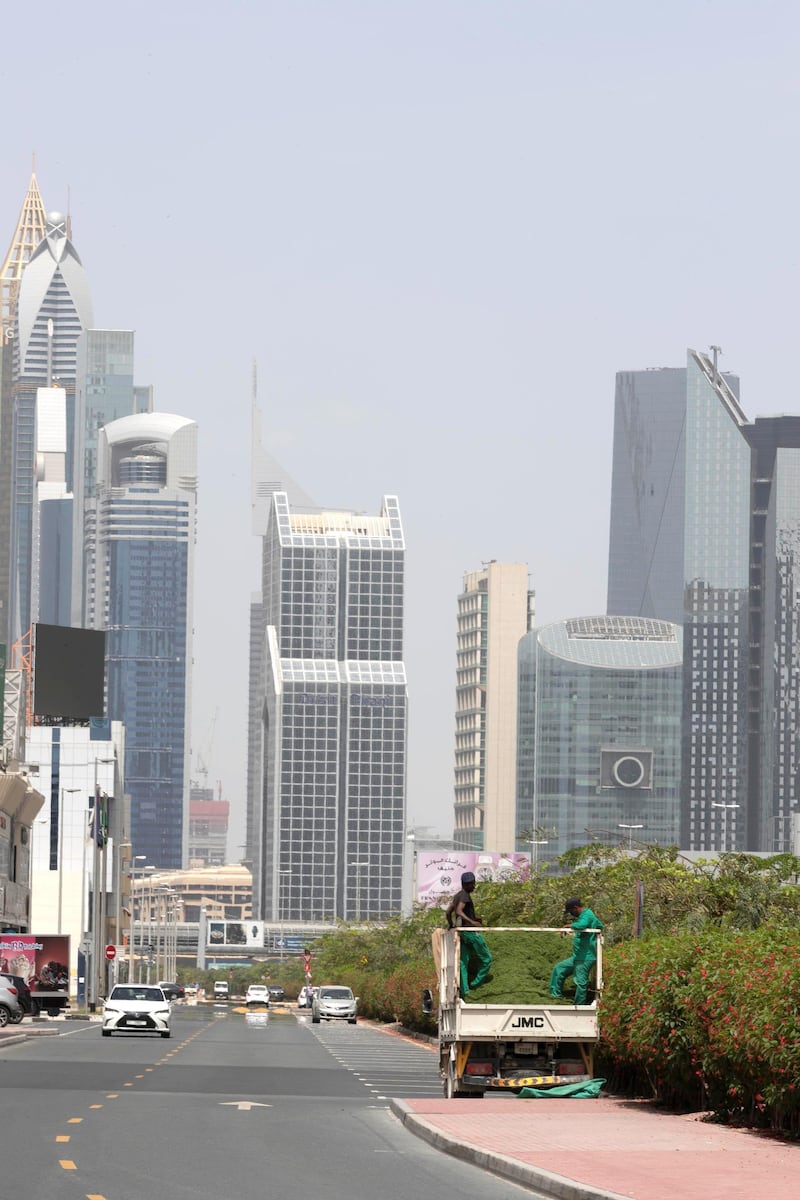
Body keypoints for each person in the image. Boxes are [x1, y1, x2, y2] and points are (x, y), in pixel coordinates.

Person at [549, 897, 603, 1005]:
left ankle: (579, 1006)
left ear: (575, 908)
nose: (571, 914)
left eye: (571, 912)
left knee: (580, 982)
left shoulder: (587, 915)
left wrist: (569, 926)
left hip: (585, 957)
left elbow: (582, 925)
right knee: (559, 969)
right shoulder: (586, 916)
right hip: (578, 956)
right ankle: (555, 996)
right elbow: (599, 925)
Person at [446, 871, 492, 996]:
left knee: (463, 961)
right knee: (487, 959)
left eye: (473, 883)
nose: (473, 886)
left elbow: (448, 912)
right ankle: (475, 984)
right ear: (465, 884)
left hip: (462, 933)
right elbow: (459, 911)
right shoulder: (465, 895)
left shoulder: (457, 896)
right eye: (471, 884)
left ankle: (465, 990)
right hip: (470, 932)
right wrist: (473, 922)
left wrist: (451, 925)